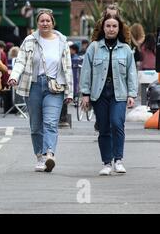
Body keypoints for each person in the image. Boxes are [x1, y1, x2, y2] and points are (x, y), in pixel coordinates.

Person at [8, 9, 73, 173]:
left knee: (50, 123)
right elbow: (21, 61)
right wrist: (14, 76)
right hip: (34, 85)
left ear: (53, 23)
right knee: (36, 125)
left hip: (55, 87)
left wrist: (70, 92)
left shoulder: (62, 41)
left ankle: (49, 154)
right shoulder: (29, 41)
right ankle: (39, 156)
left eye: (48, 21)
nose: (45, 23)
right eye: (42, 21)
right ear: (37, 23)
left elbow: (68, 68)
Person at [79, 14, 137, 176]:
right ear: (103, 28)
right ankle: (106, 163)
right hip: (100, 93)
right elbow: (86, 71)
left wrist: (132, 94)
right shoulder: (94, 47)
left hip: (119, 92)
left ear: (119, 29)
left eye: (114, 26)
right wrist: (85, 94)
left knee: (117, 123)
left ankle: (118, 160)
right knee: (104, 127)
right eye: (108, 26)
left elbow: (131, 73)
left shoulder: (126, 49)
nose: (111, 29)